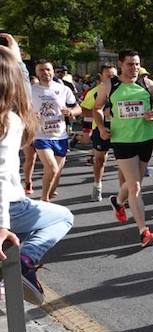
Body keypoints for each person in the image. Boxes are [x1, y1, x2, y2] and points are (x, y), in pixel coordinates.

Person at [0, 35, 74, 306]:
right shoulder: (8, 120)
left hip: (56, 137)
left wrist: (16, 61)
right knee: (62, 217)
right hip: (10, 206)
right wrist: (2, 225)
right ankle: (24, 263)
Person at [93, 49, 153, 248]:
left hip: (145, 139)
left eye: (137, 64)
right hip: (122, 140)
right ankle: (144, 231)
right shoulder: (109, 85)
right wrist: (101, 127)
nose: (134, 68)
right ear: (121, 65)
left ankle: (117, 200)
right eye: (130, 64)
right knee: (136, 186)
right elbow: (96, 108)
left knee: (136, 182)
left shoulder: (147, 83)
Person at [30, 60, 82, 202]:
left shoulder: (63, 89)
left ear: (53, 71)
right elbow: (21, 110)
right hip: (41, 136)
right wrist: (30, 115)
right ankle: (44, 199)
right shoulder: (31, 90)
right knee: (52, 168)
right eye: (41, 70)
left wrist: (71, 112)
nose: (45, 73)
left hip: (61, 136)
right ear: (36, 73)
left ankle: (50, 192)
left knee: (56, 173)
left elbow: (78, 108)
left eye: (47, 69)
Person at [80, 65, 119, 202]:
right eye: (108, 75)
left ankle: (124, 193)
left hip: (121, 129)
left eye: (113, 75)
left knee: (123, 161)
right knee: (100, 160)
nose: (111, 78)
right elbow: (84, 111)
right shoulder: (94, 92)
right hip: (101, 128)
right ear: (101, 76)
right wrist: (101, 113)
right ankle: (97, 186)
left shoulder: (122, 89)